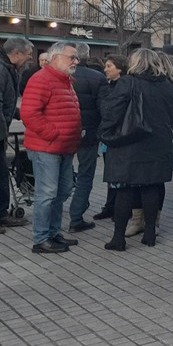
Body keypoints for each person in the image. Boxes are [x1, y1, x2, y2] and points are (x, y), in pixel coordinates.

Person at [100, 49, 173, 251]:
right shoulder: (168, 86)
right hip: (158, 143)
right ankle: (150, 233)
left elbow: (112, 110)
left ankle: (118, 238)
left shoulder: (128, 82)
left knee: (125, 189)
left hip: (130, 142)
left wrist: (106, 131)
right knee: (151, 186)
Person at [20, 42, 82, 253]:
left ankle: (53, 233)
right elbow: (29, 114)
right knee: (46, 194)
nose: (76, 61)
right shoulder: (41, 80)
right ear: (55, 58)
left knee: (62, 191)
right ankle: (40, 239)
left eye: (76, 58)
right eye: (71, 57)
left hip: (63, 147)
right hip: (46, 147)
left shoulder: (65, 81)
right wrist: (53, 134)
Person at [0, 37, 34, 234]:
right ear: (17, 54)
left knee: (0, 174)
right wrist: (2, 132)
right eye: (28, 55)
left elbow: (4, 102)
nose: (30, 58)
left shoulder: (3, 66)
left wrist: (20, 113)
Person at [67, 42, 106, 233]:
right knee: (86, 174)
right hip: (89, 132)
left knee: (62, 173)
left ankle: (56, 214)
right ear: (87, 55)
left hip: (64, 132)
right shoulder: (97, 77)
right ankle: (76, 216)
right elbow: (103, 108)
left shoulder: (60, 76)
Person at [93, 54, 128, 221]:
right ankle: (110, 205)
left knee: (119, 175)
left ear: (120, 68)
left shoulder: (124, 86)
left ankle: (120, 207)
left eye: (109, 66)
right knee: (110, 173)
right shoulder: (108, 86)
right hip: (108, 137)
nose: (105, 69)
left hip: (118, 136)